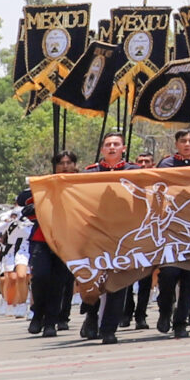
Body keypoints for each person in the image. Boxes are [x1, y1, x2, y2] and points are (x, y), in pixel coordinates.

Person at [154, 129, 190, 338]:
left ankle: (181, 323)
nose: (187, 144)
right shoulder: (166, 165)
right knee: (168, 275)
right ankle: (165, 311)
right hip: (169, 228)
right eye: (183, 141)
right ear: (176, 143)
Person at [82, 133, 135, 342]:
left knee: (118, 280)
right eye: (108, 145)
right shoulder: (90, 173)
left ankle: (109, 329)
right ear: (102, 149)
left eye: (116, 144)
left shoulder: (136, 172)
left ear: (124, 147)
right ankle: (91, 316)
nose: (112, 147)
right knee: (95, 279)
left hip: (124, 234)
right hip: (96, 233)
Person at [22, 153, 79, 336]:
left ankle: (51, 322)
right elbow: (26, 204)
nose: (64, 166)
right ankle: (38, 313)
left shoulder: (80, 185)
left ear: (74, 165)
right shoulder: (44, 184)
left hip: (67, 239)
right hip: (42, 238)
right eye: (60, 163)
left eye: (68, 163)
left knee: (58, 282)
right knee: (40, 276)